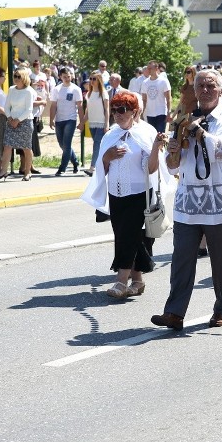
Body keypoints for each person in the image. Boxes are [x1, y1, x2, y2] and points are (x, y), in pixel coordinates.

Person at [150, 69, 222, 330]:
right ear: (194, 91)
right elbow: (173, 167)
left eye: (211, 85)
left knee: (221, 259)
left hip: (218, 201)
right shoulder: (184, 119)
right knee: (181, 258)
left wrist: (202, 133)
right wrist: (171, 152)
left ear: (220, 90)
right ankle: (174, 312)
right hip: (188, 201)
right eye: (200, 85)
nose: (205, 90)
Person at [82, 92, 167, 299]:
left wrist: (155, 147)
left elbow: (151, 169)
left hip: (138, 194)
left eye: (123, 110)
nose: (118, 114)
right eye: (115, 110)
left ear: (134, 112)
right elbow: (102, 169)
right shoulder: (110, 135)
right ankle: (137, 281)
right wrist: (107, 157)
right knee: (125, 236)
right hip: (117, 195)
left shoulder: (145, 133)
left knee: (128, 236)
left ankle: (121, 282)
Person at [0, 68, 37, 181]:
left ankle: (27, 172)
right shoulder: (11, 89)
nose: (16, 78)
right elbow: (6, 106)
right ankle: (3, 171)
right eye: (15, 76)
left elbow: (29, 109)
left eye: (19, 76)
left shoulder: (28, 91)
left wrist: (18, 120)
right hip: (11, 121)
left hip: (25, 122)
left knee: (26, 148)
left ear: (24, 78)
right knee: (7, 146)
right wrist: (9, 118)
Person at [48, 67, 83, 176]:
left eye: (69, 76)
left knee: (67, 144)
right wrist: (51, 120)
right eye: (65, 77)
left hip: (71, 119)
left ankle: (62, 168)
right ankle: (75, 162)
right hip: (59, 119)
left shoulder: (76, 89)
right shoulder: (56, 89)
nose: (67, 79)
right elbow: (53, 106)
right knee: (62, 144)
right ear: (60, 77)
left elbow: (80, 106)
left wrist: (81, 122)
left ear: (71, 76)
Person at [82, 72, 110, 176]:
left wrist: (106, 124)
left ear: (99, 80)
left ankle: (92, 168)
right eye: (91, 78)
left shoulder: (103, 93)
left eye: (94, 79)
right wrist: (82, 122)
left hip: (101, 122)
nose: (92, 81)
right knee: (98, 145)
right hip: (92, 123)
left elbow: (107, 110)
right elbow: (87, 111)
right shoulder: (89, 93)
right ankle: (101, 165)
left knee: (96, 145)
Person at [141, 60, 171, 133]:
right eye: (148, 68)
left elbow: (168, 98)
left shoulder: (163, 81)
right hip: (150, 113)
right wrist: (141, 112)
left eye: (150, 68)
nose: (148, 70)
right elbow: (144, 100)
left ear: (156, 68)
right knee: (152, 135)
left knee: (160, 135)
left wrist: (169, 112)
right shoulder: (145, 83)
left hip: (161, 112)